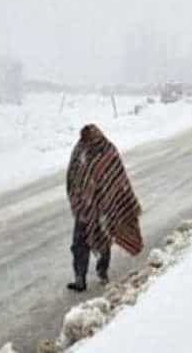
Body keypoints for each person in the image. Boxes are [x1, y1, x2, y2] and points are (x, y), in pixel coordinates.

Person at [65, 124, 143, 292]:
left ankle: (102, 273)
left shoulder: (107, 150)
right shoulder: (80, 149)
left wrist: (109, 199)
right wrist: (77, 197)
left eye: (88, 138)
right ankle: (80, 278)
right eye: (83, 138)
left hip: (104, 207)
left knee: (102, 239)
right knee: (79, 243)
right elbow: (72, 175)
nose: (85, 141)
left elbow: (116, 177)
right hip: (84, 207)